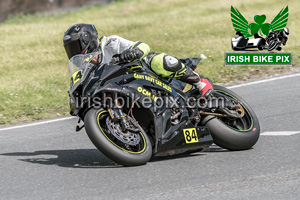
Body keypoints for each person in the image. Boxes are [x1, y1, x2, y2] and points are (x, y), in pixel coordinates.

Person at [63, 23, 213, 98]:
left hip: (144, 75)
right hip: (125, 91)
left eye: (76, 47)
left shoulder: (110, 43)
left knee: (157, 60)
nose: (75, 52)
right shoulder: (85, 67)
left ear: (87, 40)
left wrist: (131, 53)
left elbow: (143, 47)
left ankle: (200, 82)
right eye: (71, 49)